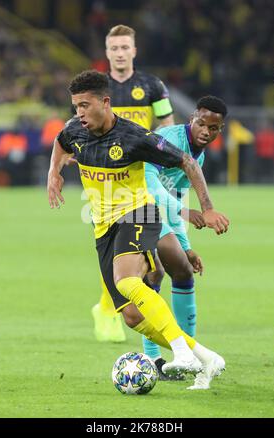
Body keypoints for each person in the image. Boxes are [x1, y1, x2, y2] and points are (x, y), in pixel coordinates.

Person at [47, 70, 229, 389]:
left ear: (105, 102)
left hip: (139, 213)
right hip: (104, 227)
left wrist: (208, 207)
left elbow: (188, 162)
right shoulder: (75, 129)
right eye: (75, 106)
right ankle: (204, 356)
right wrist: (54, 172)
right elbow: (60, 142)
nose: (79, 114)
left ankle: (180, 353)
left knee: (129, 280)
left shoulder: (135, 137)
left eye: (85, 106)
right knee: (132, 316)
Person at [92, 24, 175, 343]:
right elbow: (79, 123)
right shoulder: (99, 87)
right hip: (110, 175)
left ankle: (131, 303)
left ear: (134, 51)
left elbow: (167, 125)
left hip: (146, 173)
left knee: (150, 242)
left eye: (125, 47)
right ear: (107, 52)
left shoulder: (152, 85)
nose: (120, 53)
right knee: (115, 243)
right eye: (114, 48)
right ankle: (113, 308)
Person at [142, 96, 227, 380]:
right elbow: (148, 180)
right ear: (192, 118)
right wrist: (185, 212)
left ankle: (188, 355)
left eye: (212, 128)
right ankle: (152, 359)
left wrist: (187, 247)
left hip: (153, 211)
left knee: (182, 270)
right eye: (201, 123)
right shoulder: (169, 138)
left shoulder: (197, 154)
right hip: (132, 205)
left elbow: (175, 194)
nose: (205, 131)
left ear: (220, 130)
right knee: (155, 273)